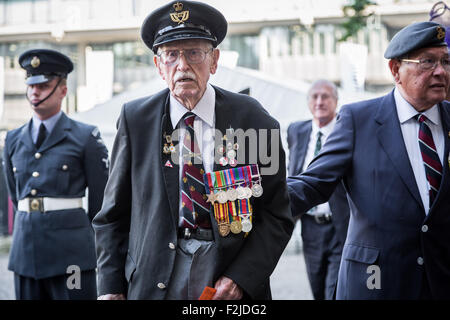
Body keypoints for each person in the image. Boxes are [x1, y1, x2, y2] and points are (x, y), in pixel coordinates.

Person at [93, 0, 294, 300]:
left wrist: (241, 277)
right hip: (153, 277)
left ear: (214, 61)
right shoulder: (136, 120)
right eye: (171, 55)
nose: (182, 65)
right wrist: (109, 288)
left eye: (194, 53)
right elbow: (112, 216)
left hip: (225, 277)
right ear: (159, 66)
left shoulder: (253, 119)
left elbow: (277, 215)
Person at [288, 21, 450, 299]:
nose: (440, 71)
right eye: (427, 62)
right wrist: (255, 197)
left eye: (446, 61)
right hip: (376, 283)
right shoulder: (358, 120)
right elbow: (313, 184)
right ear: (395, 70)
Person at [3, 49, 109, 299]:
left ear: (62, 90)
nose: (34, 92)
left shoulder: (85, 137)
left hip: (71, 256)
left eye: (43, 85)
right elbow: (16, 195)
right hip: (26, 253)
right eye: (30, 85)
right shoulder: (13, 139)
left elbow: (101, 205)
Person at [287, 79, 349, 300]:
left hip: (339, 224)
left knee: (334, 288)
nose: (320, 101)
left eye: (326, 97)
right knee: (317, 285)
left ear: (336, 101)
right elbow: (292, 168)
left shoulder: (346, 131)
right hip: (310, 226)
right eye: (315, 96)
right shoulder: (297, 130)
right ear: (308, 101)